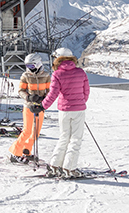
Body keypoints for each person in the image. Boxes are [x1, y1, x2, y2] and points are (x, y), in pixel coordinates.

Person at [38, 47, 90, 178]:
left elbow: (53, 94)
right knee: (75, 140)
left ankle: (55, 166)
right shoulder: (80, 72)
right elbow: (86, 92)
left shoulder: (57, 74)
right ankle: (69, 168)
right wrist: (80, 102)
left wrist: (42, 106)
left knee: (64, 137)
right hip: (78, 110)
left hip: (64, 111)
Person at [9, 53, 50, 163]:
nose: (29, 69)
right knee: (27, 130)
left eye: (31, 66)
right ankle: (15, 153)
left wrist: (43, 100)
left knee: (36, 132)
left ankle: (26, 150)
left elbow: (49, 91)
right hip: (29, 106)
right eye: (27, 66)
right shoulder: (26, 76)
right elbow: (20, 91)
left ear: (38, 63)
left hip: (40, 106)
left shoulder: (46, 75)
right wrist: (29, 97)